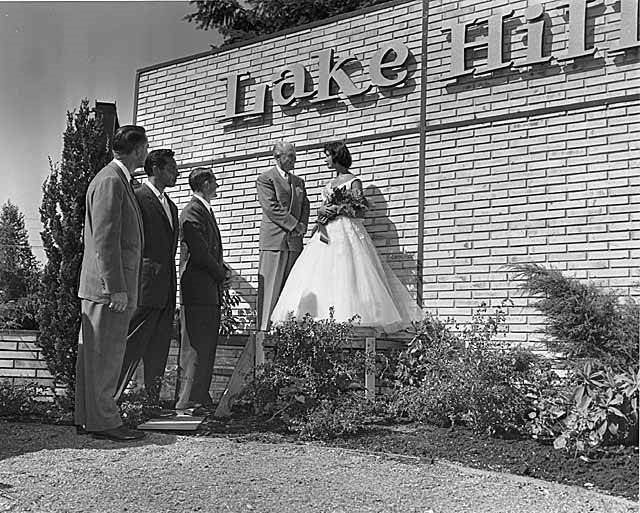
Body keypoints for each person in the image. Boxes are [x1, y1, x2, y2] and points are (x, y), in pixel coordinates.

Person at [270, 141, 423, 333]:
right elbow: (323, 210)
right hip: (326, 233)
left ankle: (352, 321)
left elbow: (360, 212)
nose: (325, 160)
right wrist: (322, 210)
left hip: (346, 233)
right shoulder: (329, 184)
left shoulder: (353, 181)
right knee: (322, 273)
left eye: (327, 155)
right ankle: (319, 319)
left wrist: (338, 209)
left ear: (337, 156)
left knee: (348, 272)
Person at [75, 125, 148, 441]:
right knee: (106, 355)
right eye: (145, 148)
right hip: (107, 290)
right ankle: (104, 421)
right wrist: (115, 286)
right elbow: (105, 240)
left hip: (104, 287)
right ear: (138, 150)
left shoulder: (115, 180)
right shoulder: (111, 181)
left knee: (95, 356)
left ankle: (89, 418)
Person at [113, 149, 179, 413]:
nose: (177, 172)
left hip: (165, 288)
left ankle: (150, 404)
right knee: (131, 345)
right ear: (157, 169)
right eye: (172, 168)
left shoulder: (172, 206)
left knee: (158, 348)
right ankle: (110, 403)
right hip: (144, 285)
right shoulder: (137, 198)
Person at [176, 168, 229, 414]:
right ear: (206, 183)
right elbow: (200, 252)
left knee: (206, 345)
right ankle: (186, 401)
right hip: (197, 289)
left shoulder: (203, 210)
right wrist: (221, 273)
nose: (217, 185)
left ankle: (199, 397)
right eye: (215, 181)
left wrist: (220, 272)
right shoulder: (192, 212)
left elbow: (211, 251)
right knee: (194, 346)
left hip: (208, 290)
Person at [256, 141, 310, 332]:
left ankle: (285, 330)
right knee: (270, 288)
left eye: (295, 155)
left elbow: (305, 206)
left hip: (294, 243)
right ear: (277, 157)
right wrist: (294, 225)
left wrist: (302, 226)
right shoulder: (265, 179)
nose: (294, 159)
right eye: (290, 156)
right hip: (274, 241)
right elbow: (271, 207)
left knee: (290, 289)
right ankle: (264, 330)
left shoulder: (299, 182)